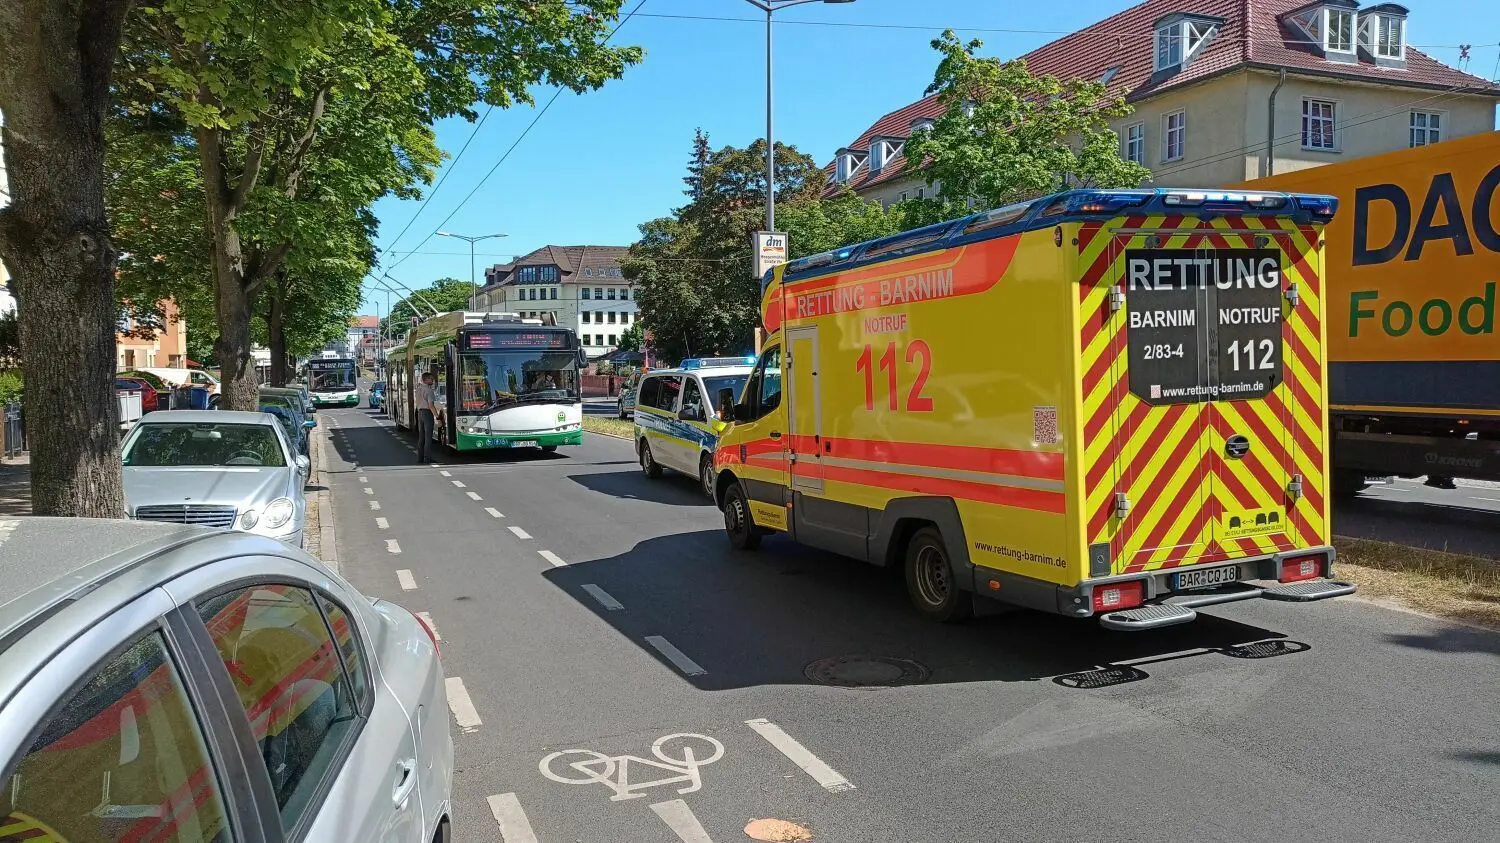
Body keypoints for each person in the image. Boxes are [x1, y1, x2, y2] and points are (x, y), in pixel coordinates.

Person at [414, 371, 441, 464]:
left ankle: (420, 458)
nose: (433, 380)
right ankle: (427, 458)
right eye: (431, 378)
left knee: (421, 437)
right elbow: (431, 405)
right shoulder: (429, 391)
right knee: (428, 437)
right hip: (427, 413)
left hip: (419, 413)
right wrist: (437, 417)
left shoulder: (418, 389)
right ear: (426, 380)